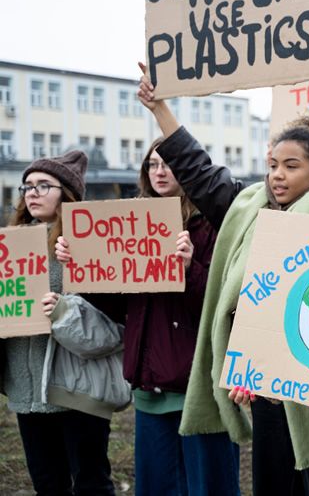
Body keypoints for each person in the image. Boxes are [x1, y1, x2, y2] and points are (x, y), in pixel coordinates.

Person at [136, 37, 309, 495]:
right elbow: (197, 170)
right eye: (272, 164)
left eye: (291, 166)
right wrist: (161, 110)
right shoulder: (249, 206)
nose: (276, 174)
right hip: (267, 387)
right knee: (272, 483)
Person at [54, 139, 234, 496]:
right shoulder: (130, 225)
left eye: (168, 164)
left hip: (197, 388)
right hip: (150, 388)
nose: (160, 171)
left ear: (189, 171)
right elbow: (125, 311)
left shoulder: (213, 225)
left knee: (208, 487)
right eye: (152, 164)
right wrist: (83, 271)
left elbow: (225, 305)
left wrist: (188, 268)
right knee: (156, 488)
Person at [0, 150, 132, 495]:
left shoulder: (88, 246)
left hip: (77, 390)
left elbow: (114, 328)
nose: (32, 192)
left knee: (91, 484)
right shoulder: (8, 248)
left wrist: (63, 310)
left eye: (44, 185)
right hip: (25, 391)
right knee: (47, 484)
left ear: (68, 194)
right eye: (27, 185)